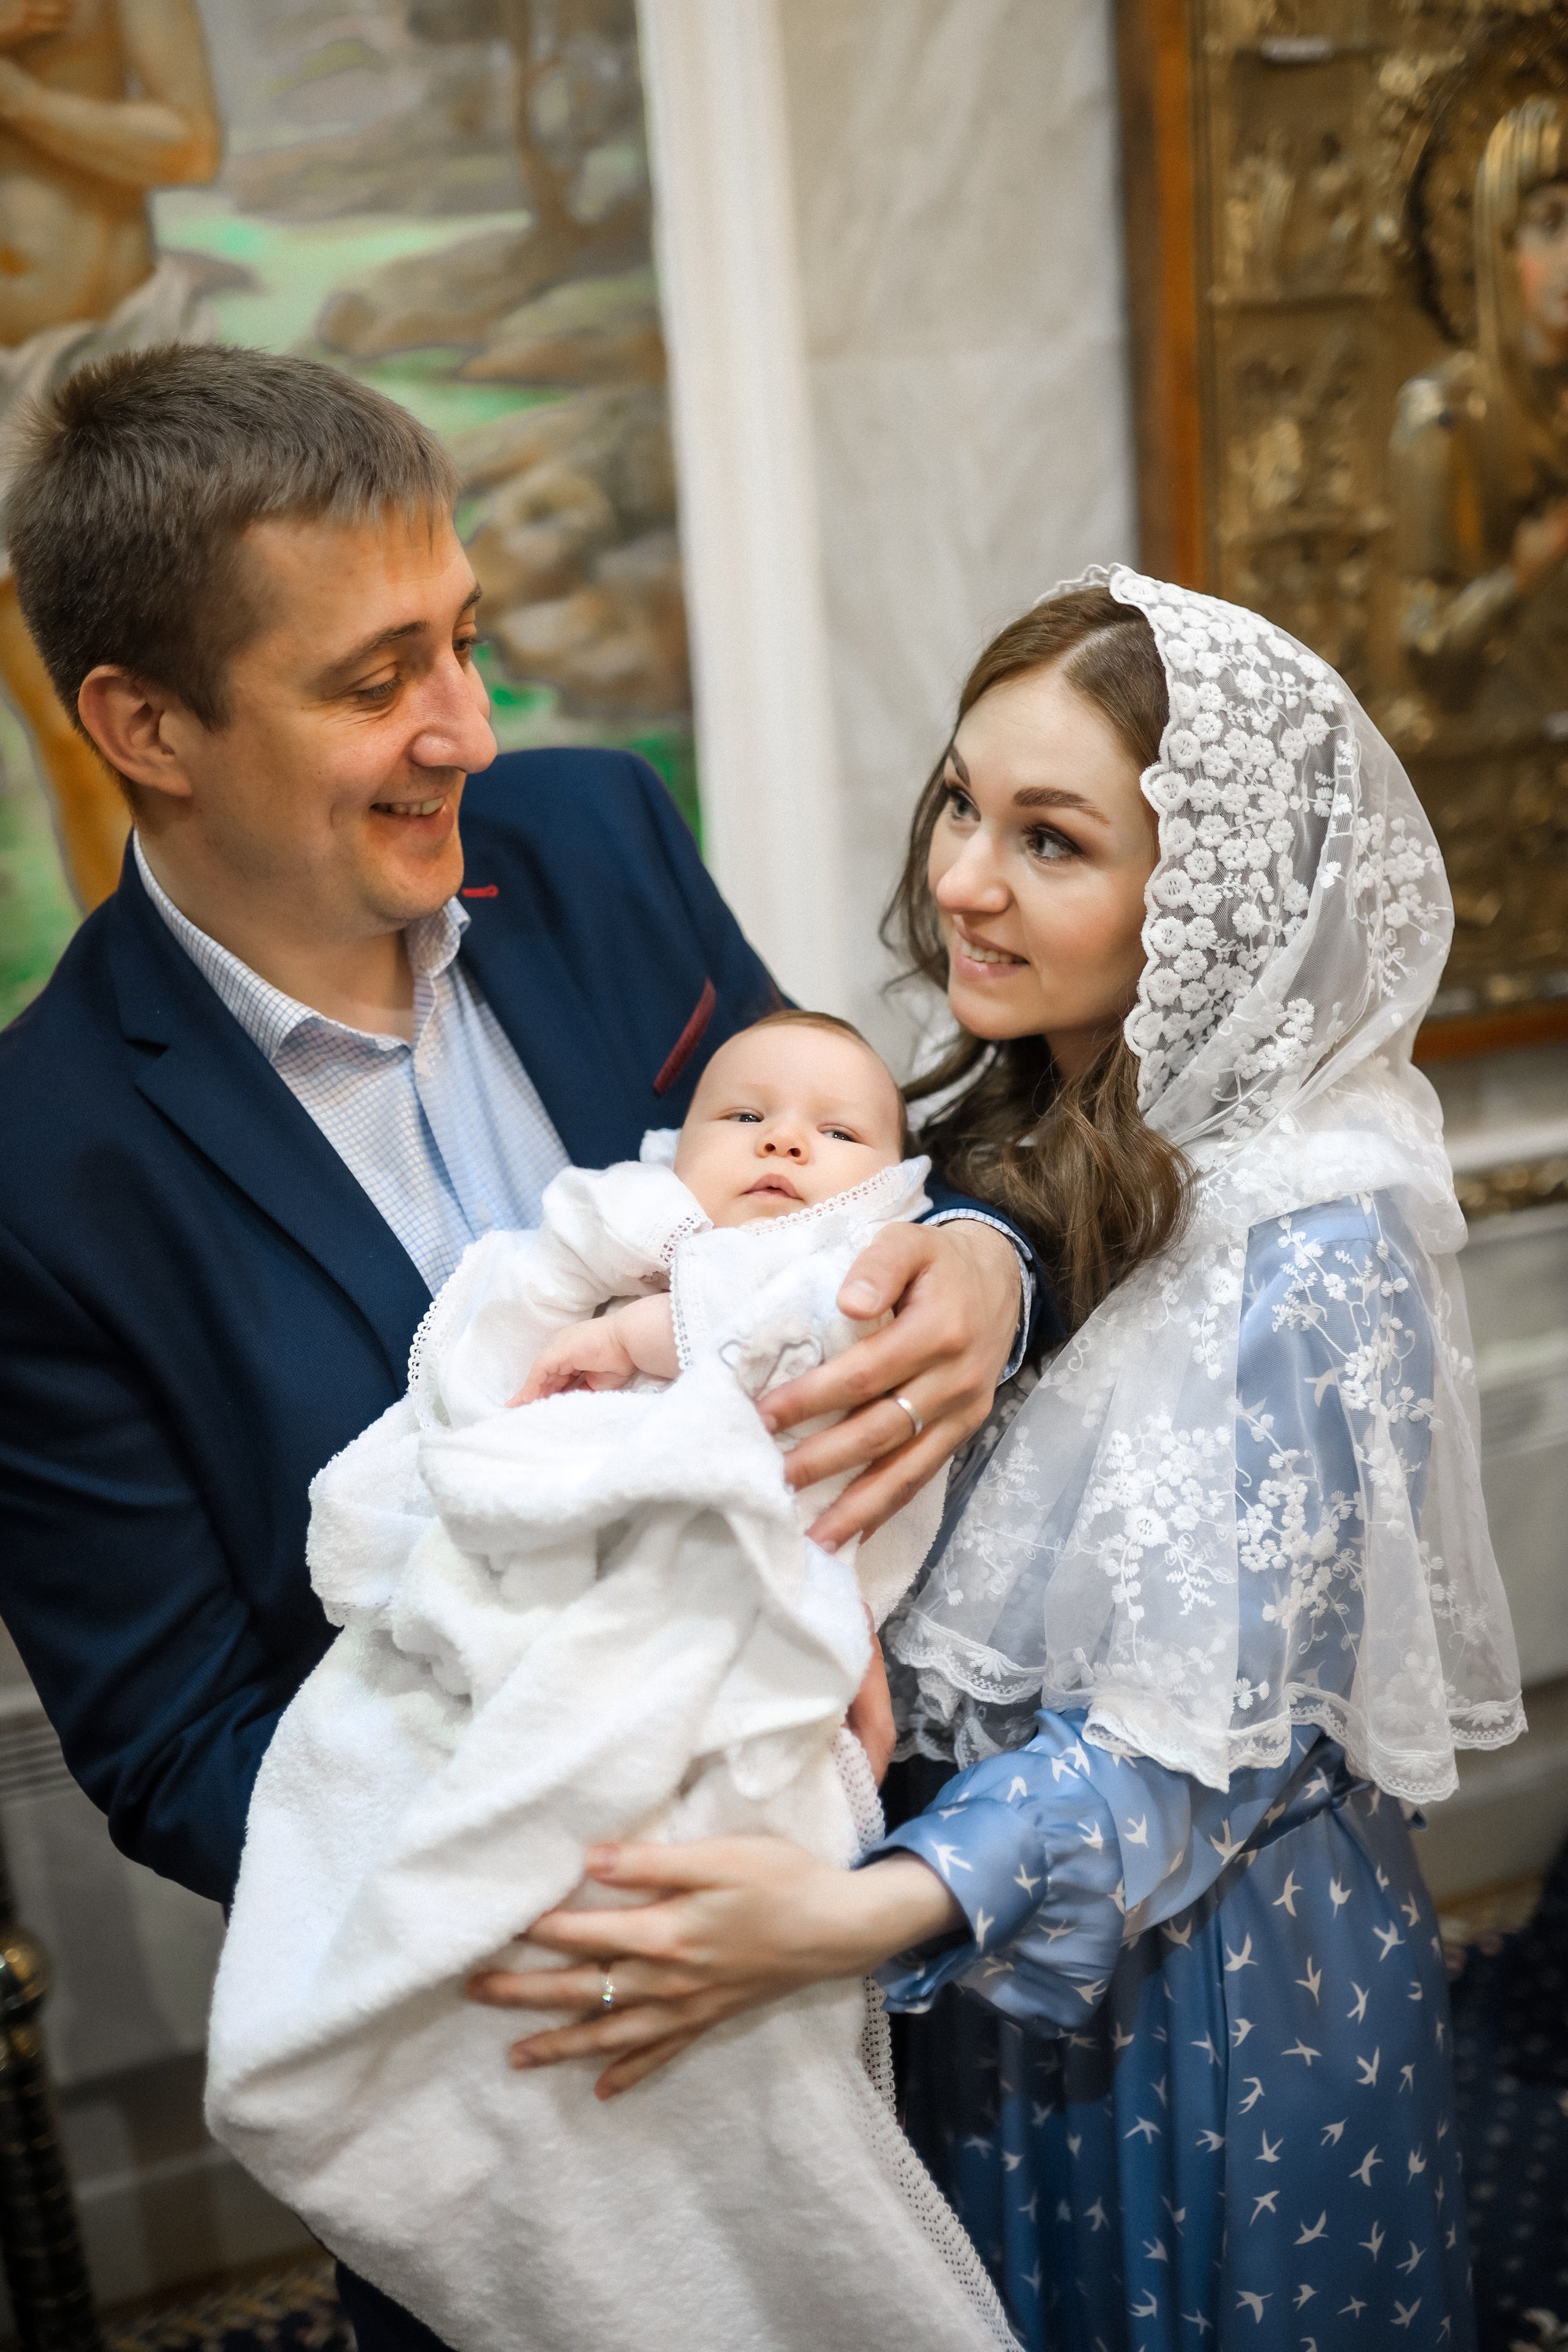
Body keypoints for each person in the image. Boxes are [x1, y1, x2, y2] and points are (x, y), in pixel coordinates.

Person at [0, 345, 1038, 2352]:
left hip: (902, 1877)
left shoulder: (598, 843)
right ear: (144, 725)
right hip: (564, 2029)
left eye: (463, 641)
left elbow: (847, 1184)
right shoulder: (43, 1169)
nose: (464, 727)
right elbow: (170, 1736)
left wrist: (984, 1243)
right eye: (375, 677)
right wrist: (601, 1851)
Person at [466, 569, 1525, 2351]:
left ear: (1205, 901)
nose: (960, 877)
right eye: (964, 800)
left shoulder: (1324, 1240)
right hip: (970, 1955)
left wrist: (841, 1917)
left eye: (1053, 840)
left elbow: (1194, 1762)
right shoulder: (1010, 1115)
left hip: (1207, 2010)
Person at [205, 1011, 1014, 2352]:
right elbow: (472, 1367)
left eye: (834, 1131)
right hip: (527, 1594)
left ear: (889, 1178)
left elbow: (828, 1340)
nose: (784, 1141)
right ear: (671, 1146)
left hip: (731, 1613)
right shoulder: (591, 1242)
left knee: (721, 1965)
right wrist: (593, 1301)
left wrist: (654, 1339)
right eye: (741, 1117)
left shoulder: (852, 1258)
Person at [0, 0, 219, 904]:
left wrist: (19, 97)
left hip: (114, 355)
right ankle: (137, 1021)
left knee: (194, 724)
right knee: (71, 737)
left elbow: (188, 146)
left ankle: (261, 997)